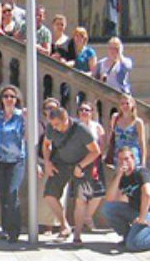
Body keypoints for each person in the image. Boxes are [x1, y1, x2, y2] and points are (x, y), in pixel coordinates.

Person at [42, 106, 101, 243]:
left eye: (57, 124)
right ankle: (64, 225)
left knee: (80, 199)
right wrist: (47, 162)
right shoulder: (51, 128)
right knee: (49, 194)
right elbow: (46, 144)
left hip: (82, 163)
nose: (55, 128)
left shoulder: (81, 129)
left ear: (66, 120)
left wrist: (80, 166)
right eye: (52, 125)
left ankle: (77, 235)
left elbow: (95, 151)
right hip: (61, 162)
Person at [103, 146, 150, 251]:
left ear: (133, 159)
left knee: (134, 245)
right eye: (120, 159)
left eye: (126, 159)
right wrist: (118, 176)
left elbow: (147, 194)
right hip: (135, 210)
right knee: (108, 209)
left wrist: (142, 218)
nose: (123, 162)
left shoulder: (141, 172)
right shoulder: (121, 176)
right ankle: (128, 236)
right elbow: (109, 198)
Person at [0, 86, 27, 243]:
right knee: (3, 195)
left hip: (16, 160)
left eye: (12, 96)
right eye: (6, 96)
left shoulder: (21, 116)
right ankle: (5, 229)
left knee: (12, 194)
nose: (9, 99)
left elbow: (28, 135)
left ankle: (14, 230)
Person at [76, 102, 106, 237]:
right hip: (79, 162)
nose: (84, 112)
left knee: (99, 192)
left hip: (94, 163)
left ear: (92, 112)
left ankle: (88, 217)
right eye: (81, 110)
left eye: (87, 110)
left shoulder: (97, 127)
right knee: (81, 196)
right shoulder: (74, 126)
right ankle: (79, 226)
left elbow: (102, 145)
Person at [37, 98, 65, 233]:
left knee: (59, 196)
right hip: (43, 163)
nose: (50, 111)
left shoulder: (63, 125)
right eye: (48, 108)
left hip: (61, 164)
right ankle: (46, 225)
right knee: (45, 196)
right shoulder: (39, 125)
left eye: (53, 108)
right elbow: (34, 146)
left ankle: (60, 225)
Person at [106, 94, 147, 167]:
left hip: (132, 157)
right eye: (122, 103)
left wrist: (143, 162)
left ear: (132, 104)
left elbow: (142, 143)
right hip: (118, 156)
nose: (125, 106)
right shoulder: (115, 118)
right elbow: (111, 136)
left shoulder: (137, 122)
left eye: (127, 103)